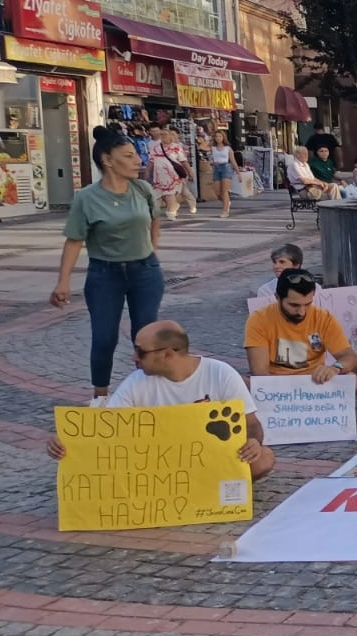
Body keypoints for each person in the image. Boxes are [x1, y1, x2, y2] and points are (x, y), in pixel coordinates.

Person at [46, 320, 275, 480]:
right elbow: (106, 426)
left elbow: (251, 423)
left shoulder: (220, 373)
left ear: (167, 354)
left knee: (262, 460)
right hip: (160, 465)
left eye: (140, 352)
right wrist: (68, 439)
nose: (133, 358)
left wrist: (253, 442)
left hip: (208, 458)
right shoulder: (136, 382)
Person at [51, 127, 166, 401]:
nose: (137, 160)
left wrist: (153, 249)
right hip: (105, 275)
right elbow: (74, 240)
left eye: (136, 155)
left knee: (146, 338)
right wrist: (63, 281)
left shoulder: (142, 189)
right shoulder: (87, 197)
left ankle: (146, 395)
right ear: (107, 160)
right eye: (128, 156)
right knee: (104, 339)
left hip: (145, 272)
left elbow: (155, 219)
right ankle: (100, 398)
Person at [245, 269, 357, 386]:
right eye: (294, 305)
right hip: (276, 383)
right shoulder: (259, 319)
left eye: (307, 304)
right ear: (277, 297)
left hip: (315, 381)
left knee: (353, 380)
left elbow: (349, 356)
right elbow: (260, 372)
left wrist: (336, 367)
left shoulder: (324, 318)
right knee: (242, 383)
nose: (302, 312)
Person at [148, 127, 196, 219]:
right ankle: (173, 206)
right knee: (162, 195)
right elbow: (151, 161)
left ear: (170, 136)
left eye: (165, 134)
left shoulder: (176, 147)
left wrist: (189, 171)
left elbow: (183, 161)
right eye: (161, 134)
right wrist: (147, 171)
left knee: (169, 193)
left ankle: (171, 212)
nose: (163, 136)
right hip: (159, 176)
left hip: (173, 175)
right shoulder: (156, 148)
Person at [208, 129, 235, 219]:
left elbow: (233, 161)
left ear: (223, 137)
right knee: (217, 192)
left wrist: (238, 173)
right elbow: (202, 146)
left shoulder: (228, 148)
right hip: (216, 167)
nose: (218, 138)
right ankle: (227, 202)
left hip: (225, 167)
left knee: (224, 190)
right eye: (216, 136)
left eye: (220, 136)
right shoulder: (212, 148)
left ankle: (225, 211)